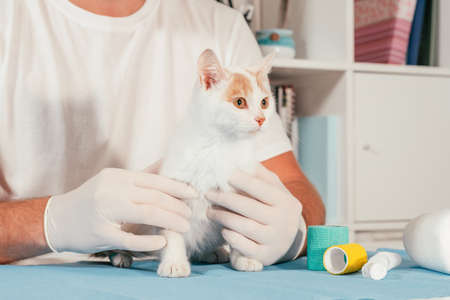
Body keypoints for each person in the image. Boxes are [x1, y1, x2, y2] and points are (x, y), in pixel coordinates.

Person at [0, 0, 325, 265]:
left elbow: (297, 189)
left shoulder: (220, 25)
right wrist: (49, 222)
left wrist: (294, 232)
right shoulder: (10, 18)